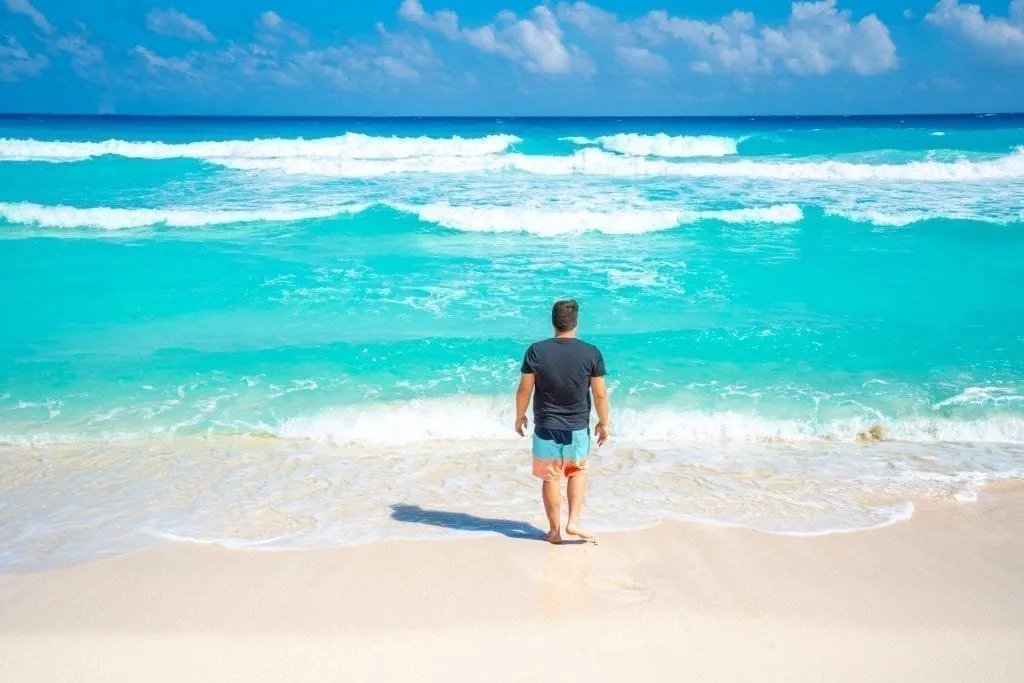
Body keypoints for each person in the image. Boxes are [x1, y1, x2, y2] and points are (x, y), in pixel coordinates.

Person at [515, 299, 610, 544]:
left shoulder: (536, 350)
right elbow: (600, 393)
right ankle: (574, 522)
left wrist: (520, 415)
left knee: (551, 477)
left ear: (553, 322)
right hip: (577, 427)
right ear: (576, 322)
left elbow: (525, 389)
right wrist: (603, 422)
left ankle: (554, 531)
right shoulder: (591, 352)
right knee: (577, 472)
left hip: (546, 426)